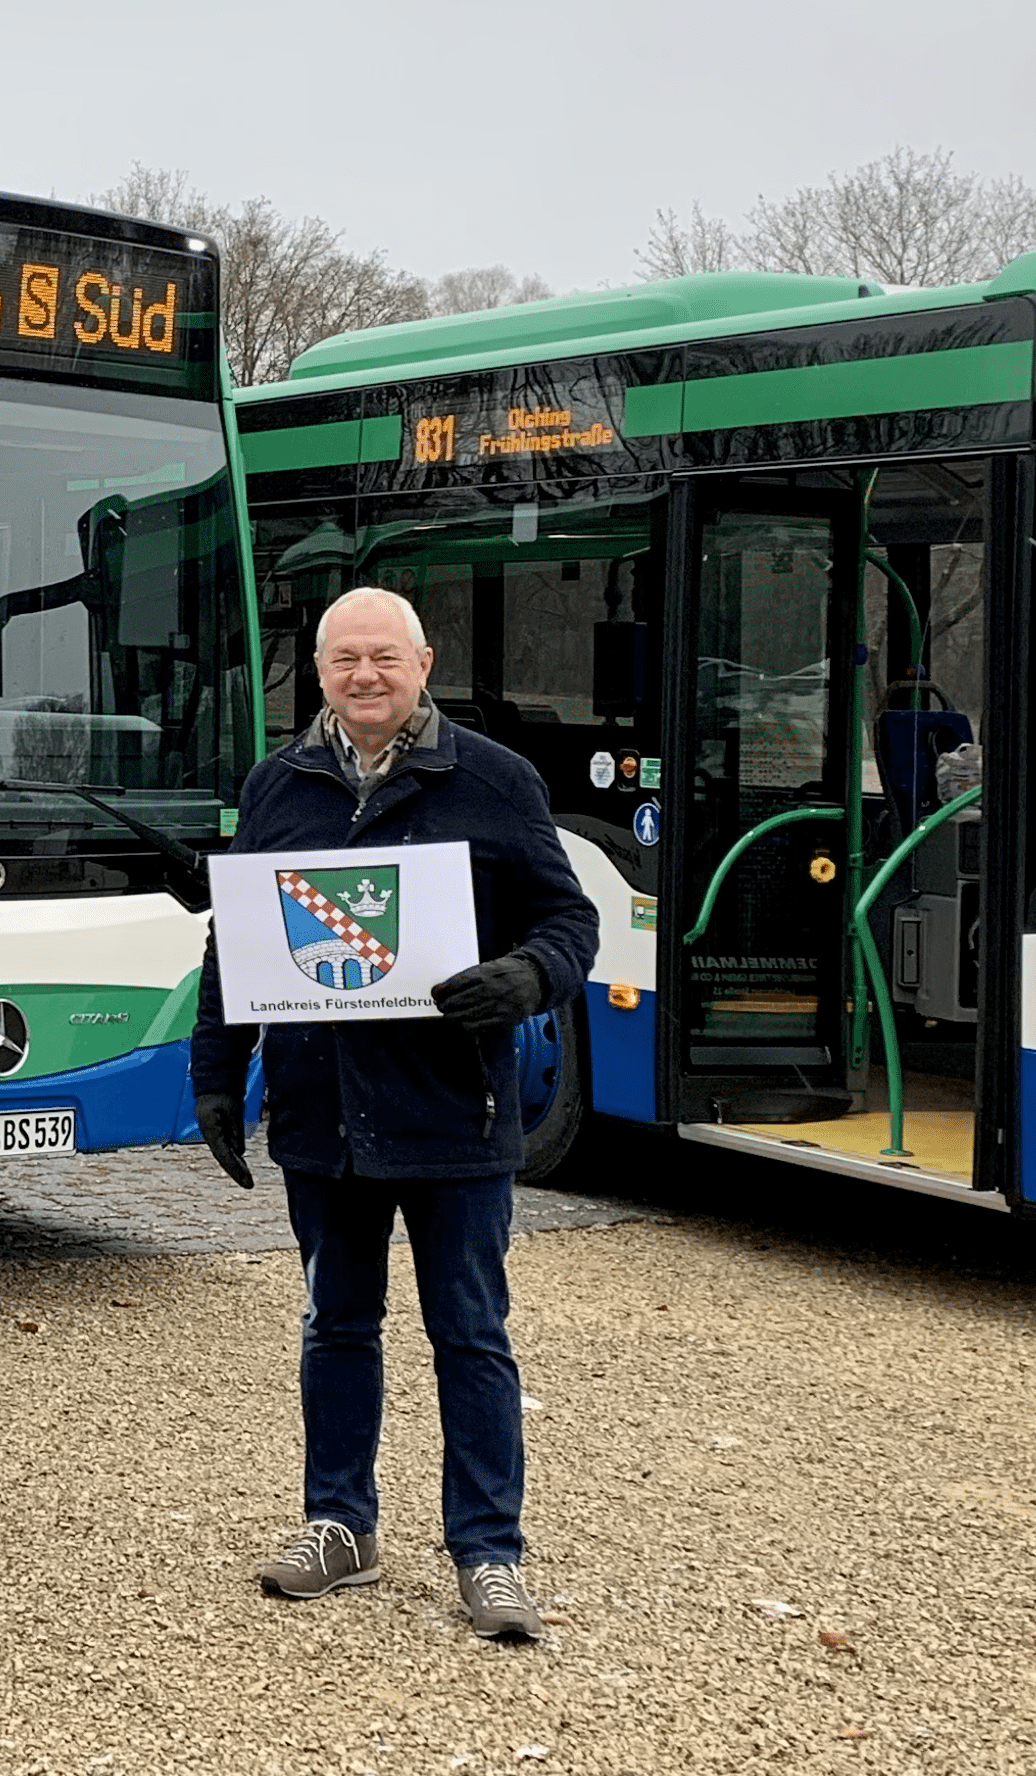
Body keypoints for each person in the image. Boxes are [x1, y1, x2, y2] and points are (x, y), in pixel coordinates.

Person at [189, 585, 599, 1641]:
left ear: (423, 662)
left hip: (453, 1116)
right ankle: (338, 1521)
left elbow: (569, 916)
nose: (363, 677)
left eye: (382, 657)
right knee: (336, 1325)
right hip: (323, 1116)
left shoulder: (493, 780)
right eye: (342, 661)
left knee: (470, 1334)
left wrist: (526, 978)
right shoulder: (277, 782)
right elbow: (234, 943)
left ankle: (488, 1549)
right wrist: (214, 1075)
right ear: (316, 672)